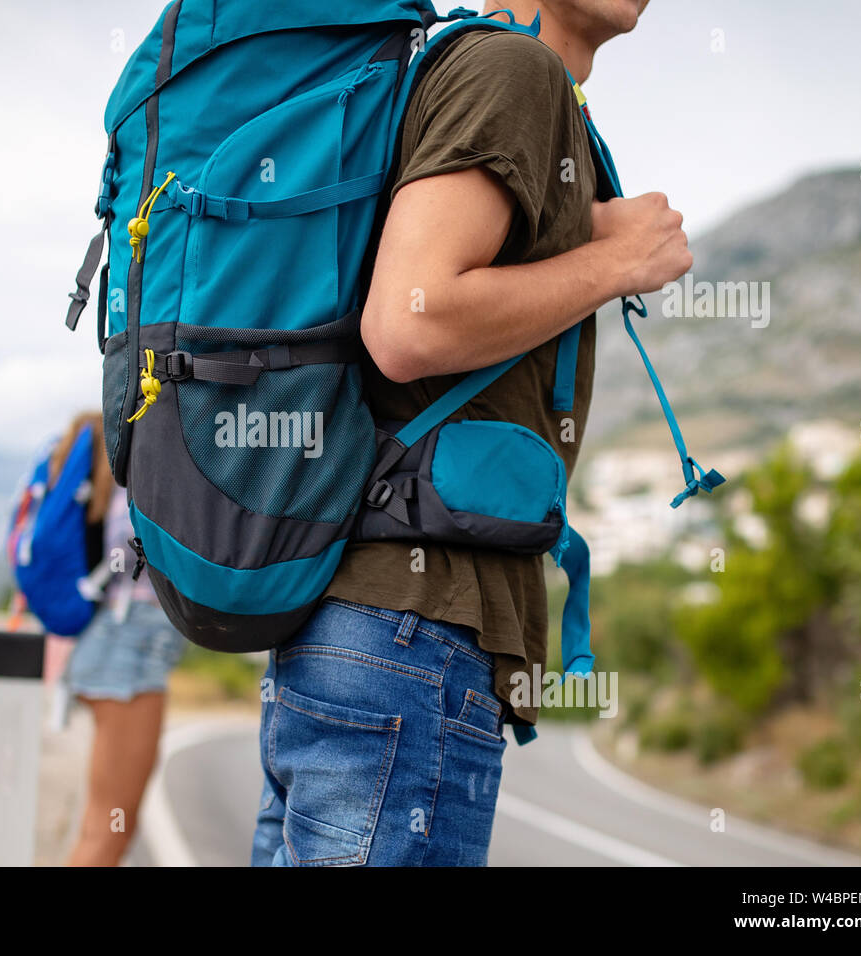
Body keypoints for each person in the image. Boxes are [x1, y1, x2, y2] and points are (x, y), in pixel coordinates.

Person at [253, 0, 691, 865]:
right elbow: (409, 325)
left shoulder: (493, 74)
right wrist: (617, 262)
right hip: (409, 634)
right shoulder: (511, 69)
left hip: (369, 634)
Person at [57, 413, 188, 867]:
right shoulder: (136, 482)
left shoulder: (114, 480)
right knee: (108, 829)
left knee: (106, 824)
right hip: (127, 650)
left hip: (116, 643)